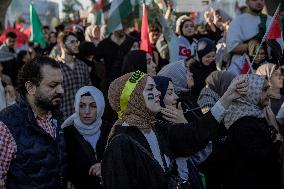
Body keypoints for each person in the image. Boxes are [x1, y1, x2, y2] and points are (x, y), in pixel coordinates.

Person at [101, 70, 247, 189]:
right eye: (150, 89)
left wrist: (226, 98)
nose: (158, 93)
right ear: (134, 98)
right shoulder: (120, 144)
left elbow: (194, 133)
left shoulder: (157, 127)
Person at [0, 56, 66, 189]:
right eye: (53, 85)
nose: (61, 91)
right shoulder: (6, 125)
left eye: (61, 84)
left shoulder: (56, 116)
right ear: (30, 87)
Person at [222, 74, 282, 189]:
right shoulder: (243, 124)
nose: (268, 93)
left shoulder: (256, 115)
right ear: (249, 93)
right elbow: (259, 158)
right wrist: (277, 142)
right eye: (264, 90)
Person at [62, 86, 111, 189]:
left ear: (100, 107)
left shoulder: (110, 131)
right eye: (82, 106)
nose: (87, 111)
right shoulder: (67, 134)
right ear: (76, 107)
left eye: (93, 106)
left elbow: (122, 161)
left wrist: (106, 166)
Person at [57, 32, 90, 119]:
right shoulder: (55, 68)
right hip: (64, 118)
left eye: (76, 42)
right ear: (63, 45)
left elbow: (89, 90)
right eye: (72, 42)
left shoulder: (82, 65)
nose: (76, 45)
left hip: (84, 118)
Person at [226, 0, 270, 64]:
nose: (259, 2)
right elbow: (232, 47)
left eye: (262, 0)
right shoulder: (237, 21)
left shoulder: (270, 20)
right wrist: (252, 45)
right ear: (247, 2)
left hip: (266, 65)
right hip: (242, 65)